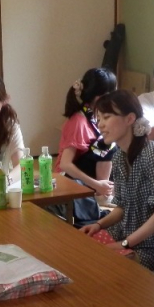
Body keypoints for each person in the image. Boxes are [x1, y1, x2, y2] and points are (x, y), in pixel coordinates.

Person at [80, 90, 154, 276]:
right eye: (99, 118)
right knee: (81, 250)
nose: (100, 124)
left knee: (103, 267)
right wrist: (99, 225)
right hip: (127, 233)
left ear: (130, 119)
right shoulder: (120, 155)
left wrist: (125, 244)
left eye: (107, 117)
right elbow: (122, 206)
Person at [57, 67, 118, 225]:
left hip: (86, 174)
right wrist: (97, 184)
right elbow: (65, 164)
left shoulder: (93, 114)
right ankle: (101, 193)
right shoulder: (78, 121)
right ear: (99, 97)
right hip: (67, 178)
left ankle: (102, 193)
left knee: (110, 141)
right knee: (106, 144)